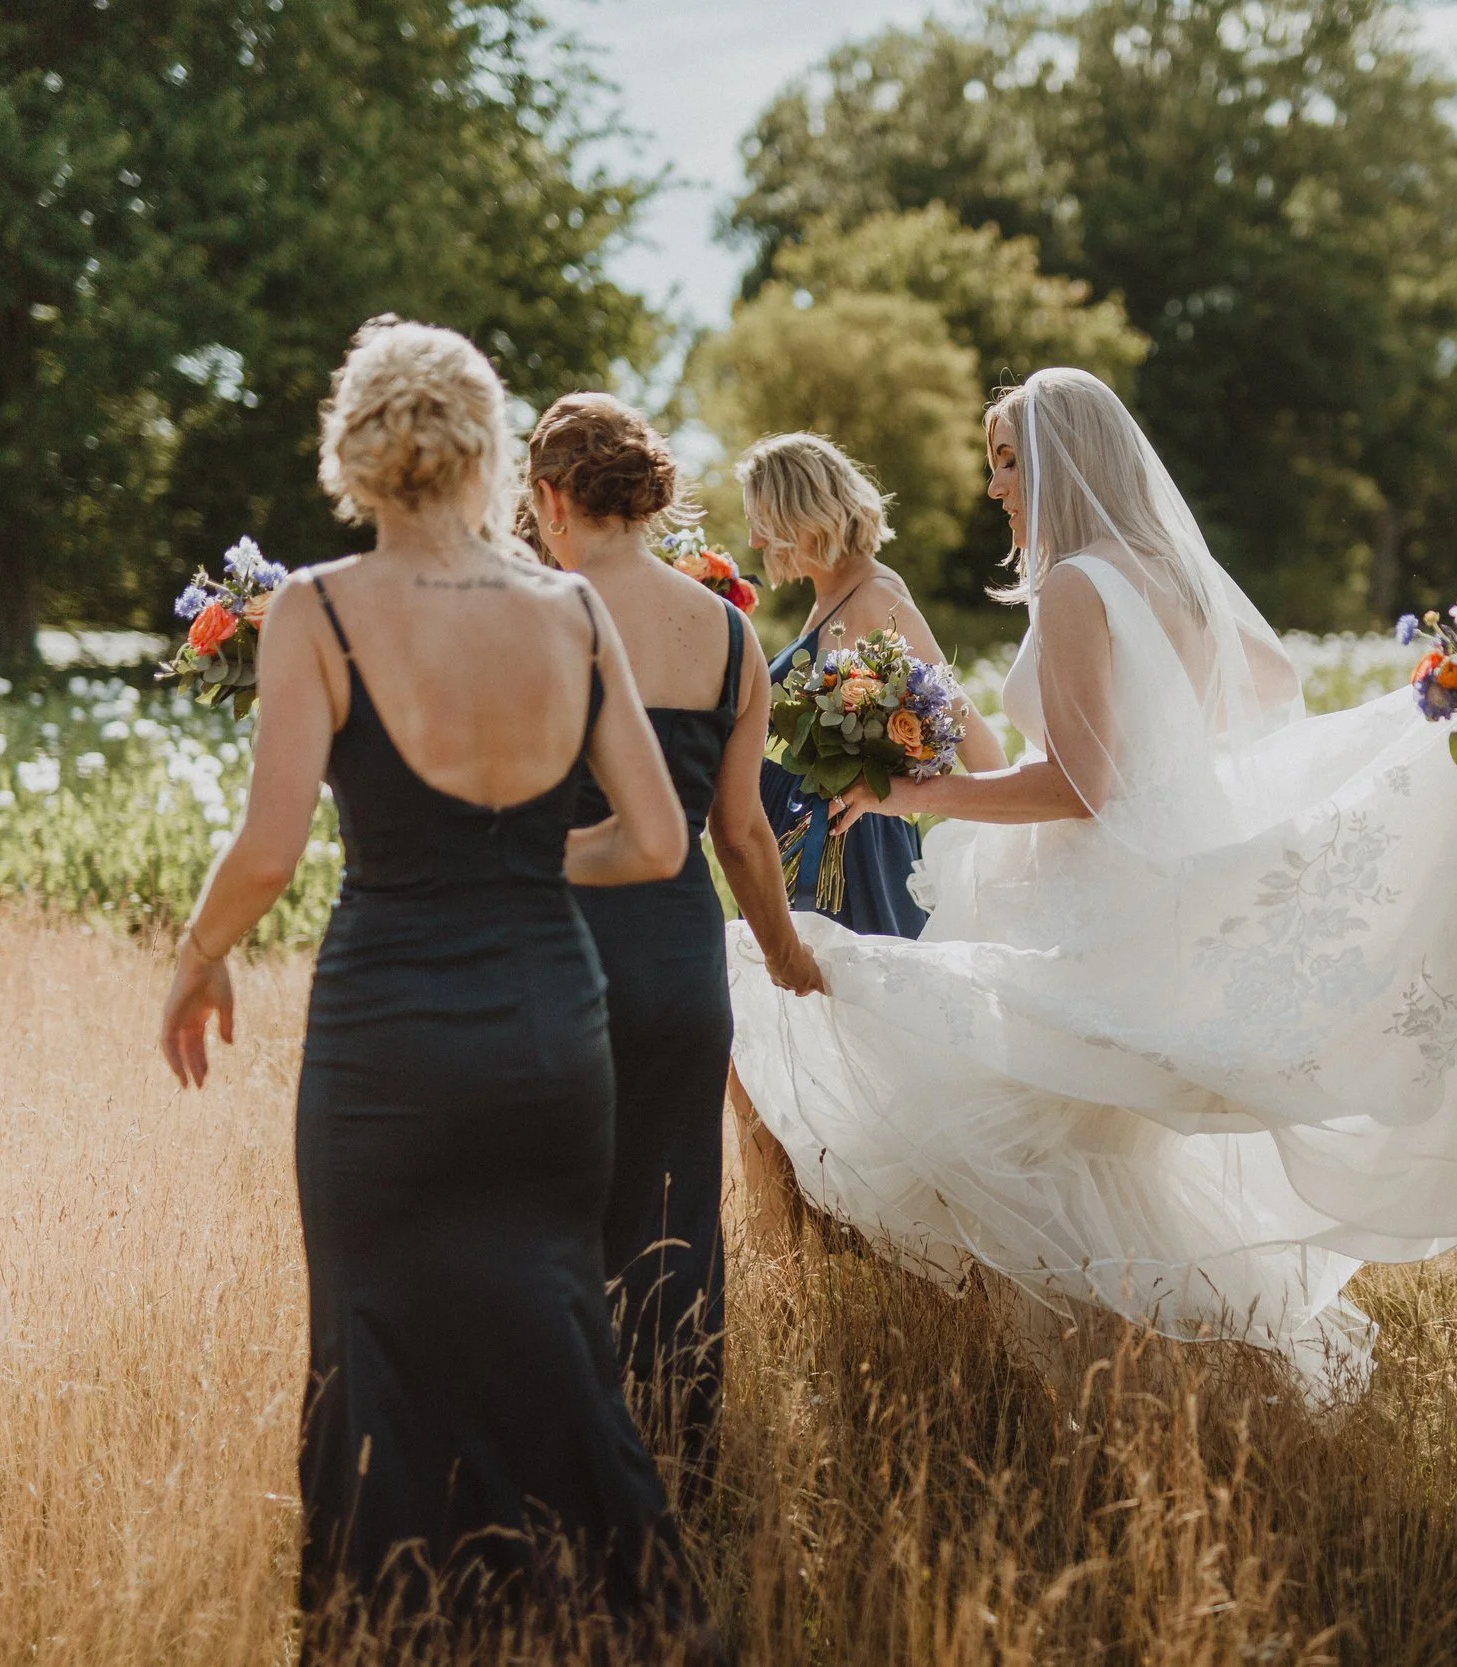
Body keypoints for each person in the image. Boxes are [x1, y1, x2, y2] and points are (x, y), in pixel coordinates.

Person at [724, 368, 1457, 1400]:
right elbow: (1269, 682)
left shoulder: (1071, 584)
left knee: (998, 1122)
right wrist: (1178, 774)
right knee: (1088, 1144)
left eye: (1008, 461)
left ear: (1064, 461)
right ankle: (1140, 1388)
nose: (995, 486)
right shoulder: (1174, 576)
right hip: (1157, 891)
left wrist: (912, 792)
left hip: (1090, 902)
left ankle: (1089, 1391)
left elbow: (1081, 786)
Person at [156, 319, 711, 1650]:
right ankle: (622, 1619)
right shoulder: (569, 609)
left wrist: (195, 955)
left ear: (355, 445)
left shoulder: (321, 609)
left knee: (375, 1332)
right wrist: (516, 865)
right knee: (558, 1320)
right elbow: (653, 840)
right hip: (549, 1032)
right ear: (485, 445)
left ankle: (391, 1627)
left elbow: (272, 845)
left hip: (385, 1040)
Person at [521, 392, 826, 1485]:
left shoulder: (529, 613)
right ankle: (678, 1466)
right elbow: (741, 833)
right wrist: (786, 953)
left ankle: (556, 1466)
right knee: (673, 1214)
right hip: (679, 962)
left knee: (545, 1210)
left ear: (551, 498)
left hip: (551, 954)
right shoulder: (730, 631)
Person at [740, 432, 1009, 936]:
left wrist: (1008, 859)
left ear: (802, 513)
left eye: (762, 523)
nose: (755, 541)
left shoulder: (873, 595)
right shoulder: (830, 596)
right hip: (806, 839)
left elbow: (969, 732)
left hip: (855, 858)